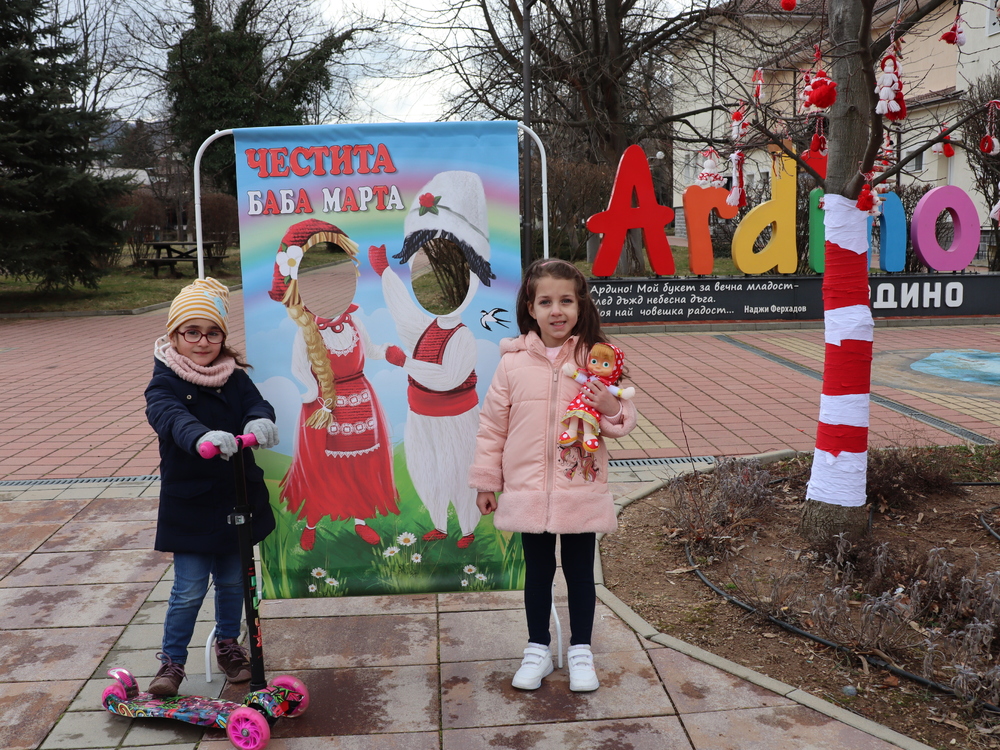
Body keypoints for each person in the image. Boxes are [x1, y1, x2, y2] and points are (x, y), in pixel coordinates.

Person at [467, 258, 637, 692]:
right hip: (526, 491)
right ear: (531, 305)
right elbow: (492, 427)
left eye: (566, 300)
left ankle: (581, 650)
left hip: (579, 488)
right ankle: (537, 649)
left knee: (581, 575)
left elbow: (622, 422)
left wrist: (609, 406)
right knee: (537, 575)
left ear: (580, 306)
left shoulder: (596, 359)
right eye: (546, 301)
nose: (556, 310)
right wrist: (488, 482)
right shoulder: (512, 363)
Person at [144, 277, 279, 696]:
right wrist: (200, 437)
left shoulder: (233, 376)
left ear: (223, 336)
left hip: (236, 495)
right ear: (174, 335)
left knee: (234, 581)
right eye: (192, 332)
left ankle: (228, 644)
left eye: (213, 332)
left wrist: (259, 420)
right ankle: (172, 661)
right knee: (187, 588)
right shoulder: (165, 381)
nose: (203, 342)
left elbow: (255, 403)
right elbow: (169, 417)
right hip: (192, 504)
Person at [269, 219, 399, 550]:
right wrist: (316, 396)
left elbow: (369, 350)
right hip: (323, 406)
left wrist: (389, 352)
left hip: (360, 400)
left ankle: (360, 519)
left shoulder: (354, 321)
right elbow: (300, 368)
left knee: (361, 464)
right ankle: (313, 520)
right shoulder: (307, 331)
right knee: (321, 467)